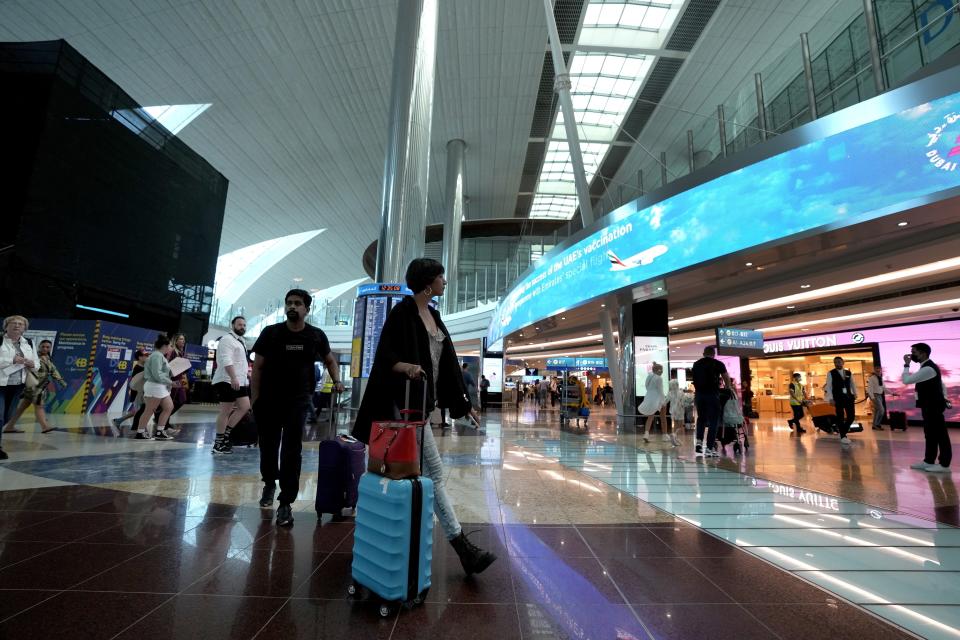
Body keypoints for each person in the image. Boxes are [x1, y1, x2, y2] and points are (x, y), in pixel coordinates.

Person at [353, 258, 496, 576]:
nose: (445, 282)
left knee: (408, 475)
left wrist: (463, 403)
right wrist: (406, 367)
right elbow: (386, 354)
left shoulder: (434, 315)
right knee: (430, 471)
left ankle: (393, 537)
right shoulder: (402, 313)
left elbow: (447, 366)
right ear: (428, 282)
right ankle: (461, 547)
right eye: (441, 277)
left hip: (421, 406)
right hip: (400, 407)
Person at [252, 289, 343, 527]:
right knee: (268, 446)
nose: (293, 306)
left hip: (298, 401)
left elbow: (330, 360)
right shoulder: (270, 333)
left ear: (307, 309)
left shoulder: (315, 336)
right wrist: (254, 400)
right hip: (269, 400)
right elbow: (258, 368)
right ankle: (270, 482)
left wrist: (338, 381)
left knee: (292, 450)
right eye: (289, 303)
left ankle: (286, 502)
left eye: (298, 303)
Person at [903, 343, 951, 473]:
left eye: (914, 352)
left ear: (923, 353)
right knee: (930, 434)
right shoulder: (926, 367)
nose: (911, 355)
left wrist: (906, 364)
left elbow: (906, 380)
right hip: (929, 406)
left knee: (940, 435)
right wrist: (944, 396)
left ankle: (944, 464)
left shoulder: (928, 368)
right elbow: (942, 385)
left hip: (933, 406)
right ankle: (928, 460)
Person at [1, 339, 67, 434]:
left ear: (50, 348)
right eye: (43, 346)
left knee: (22, 407)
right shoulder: (33, 356)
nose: (45, 348)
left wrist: (60, 381)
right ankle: (45, 426)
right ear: (39, 347)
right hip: (34, 386)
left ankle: (9, 426)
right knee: (39, 405)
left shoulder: (47, 358)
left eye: (47, 347)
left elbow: (53, 370)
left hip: (39, 386)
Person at [0, 316, 38, 460]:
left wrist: (31, 364)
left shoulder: (28, 343)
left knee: (7, 416)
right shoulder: (1, 341)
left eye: (20, 324)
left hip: (18, 386)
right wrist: (12, 360)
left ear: (24, 328)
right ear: (6, 326)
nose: (17, 326)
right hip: (0, 384)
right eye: (13, 323)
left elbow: (37, 364)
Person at [211, 316, 250, 455]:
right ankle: (218, 443)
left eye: (244, 325)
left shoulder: (241, 341)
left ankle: (226, 436)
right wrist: (233, 377)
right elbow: (226, 360)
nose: (242, 327)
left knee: (245, 406)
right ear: (232, 325)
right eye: (240, 324)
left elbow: (241, 363)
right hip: (227, 380)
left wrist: (245, 377)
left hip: (239, 380)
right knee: (225, 411)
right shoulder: (227, 339)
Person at [691, 345, 732, 458]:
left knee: (701, 418)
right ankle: (709, 448)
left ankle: (699, 442)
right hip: (713, 395)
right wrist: (728, 388)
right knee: (714, 420)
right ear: (713, 354)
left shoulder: (696, 364)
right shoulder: (718, 364)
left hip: (699, 395)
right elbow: (726, 378)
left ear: (704, 354)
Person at [137, 335, 175, 441]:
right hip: (154, 386)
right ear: (165, 346)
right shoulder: (157, 356)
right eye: (170, 345)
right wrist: (170, 382)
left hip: (160, 386)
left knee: (168, 407)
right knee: (149, 410)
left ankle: (160, 431)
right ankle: (140, 432)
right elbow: (156, 374)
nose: (171, 348)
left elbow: (161, 372)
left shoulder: (160, 356)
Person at [824, 356, 857, 446]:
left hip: (849, 397)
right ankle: (843, 436)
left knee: (851, 416)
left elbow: (852, 383)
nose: (837, 364)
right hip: (837, 398)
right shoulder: (831, 373)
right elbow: (829, 386)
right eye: (835, 362)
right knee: (840, 417)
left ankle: (843, 431)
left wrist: (855, 393)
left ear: (843, 362)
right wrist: (830, 398)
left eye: (839, 362)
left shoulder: (848, 372)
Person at [113, 350, 149, 428]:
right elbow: (135, 382)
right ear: (140, 357)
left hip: (143, 392)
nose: (147, 357)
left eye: (147, 355)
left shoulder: (144, 367)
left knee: (139, 410)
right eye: (145, 355)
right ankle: (137, 427)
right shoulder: (137, 368)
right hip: (137, 393)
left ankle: (119, 420)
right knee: (139, 410)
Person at [639, 363, 671, 445]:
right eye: (661, 370)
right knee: (663, 417)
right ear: (658, 370)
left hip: (649, 397)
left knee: (650, 417)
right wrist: (664, 401)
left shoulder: (649, 376)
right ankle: (664, 435)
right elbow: (660, 391)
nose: (662, 371)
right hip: (659, 399)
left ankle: (646, 433)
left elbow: (646, 386)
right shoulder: (659, 378)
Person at [867, 367, 887, 431]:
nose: (878, 372)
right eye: (877, 371)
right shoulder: (872, 378)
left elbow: (884, 388)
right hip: (875, 395)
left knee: (877, 411)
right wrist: (872, 398)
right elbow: (869, 389)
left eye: (879, 371)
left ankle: (874, 425)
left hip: (880, 395)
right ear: (875, 371)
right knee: (881, 410)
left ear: (881, 371)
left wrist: (892, 393)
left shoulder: (881, 378)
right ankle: (877, 424)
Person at [665, 379, 683, 447]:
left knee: (675, 424)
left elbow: (666, 401)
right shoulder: (681, 392)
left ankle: (675, 439)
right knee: (681, 424)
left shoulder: (670, 393)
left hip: (672, 410)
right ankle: (674, 435)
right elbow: (683, 401)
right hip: (680, 410)